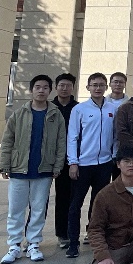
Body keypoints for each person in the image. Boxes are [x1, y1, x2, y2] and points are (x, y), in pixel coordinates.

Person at [0, 75, 67, 264]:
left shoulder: (55, 115)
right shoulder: (19, 114)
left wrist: (58, 165)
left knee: (38, 209)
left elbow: (61, 142)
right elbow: (7, 140)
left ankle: (33, 244)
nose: (41, 91)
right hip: (19, 169)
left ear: (50, 91)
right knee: (16, 209)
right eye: (37, 87)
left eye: (45, 87)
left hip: (44, 170)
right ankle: (14, 245)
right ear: (31, 90)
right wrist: (4, 164)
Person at [66, 73, 117, 258]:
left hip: (104, 164)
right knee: (76, 204)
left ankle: (95, 238)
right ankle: (73, 242)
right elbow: (72, 137)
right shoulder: (79, 109)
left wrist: (114, 156)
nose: (98, 88)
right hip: (83, 164)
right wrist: (73, 162)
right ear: (88, 87)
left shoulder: (112, 109)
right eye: (94, 85)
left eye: (101, 85)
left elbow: (115, 136)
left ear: (106, 87)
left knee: (98, 204)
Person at [51, 72, 79, 249]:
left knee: (67, 196)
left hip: (70, 159)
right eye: (61, 85)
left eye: (68, 85)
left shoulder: (78, 108)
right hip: (49, 157)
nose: (64, 88)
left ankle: (66, 233)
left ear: (73, 88)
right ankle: (32, 237)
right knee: (39, 200)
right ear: (56, 87)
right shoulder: (49, 107)